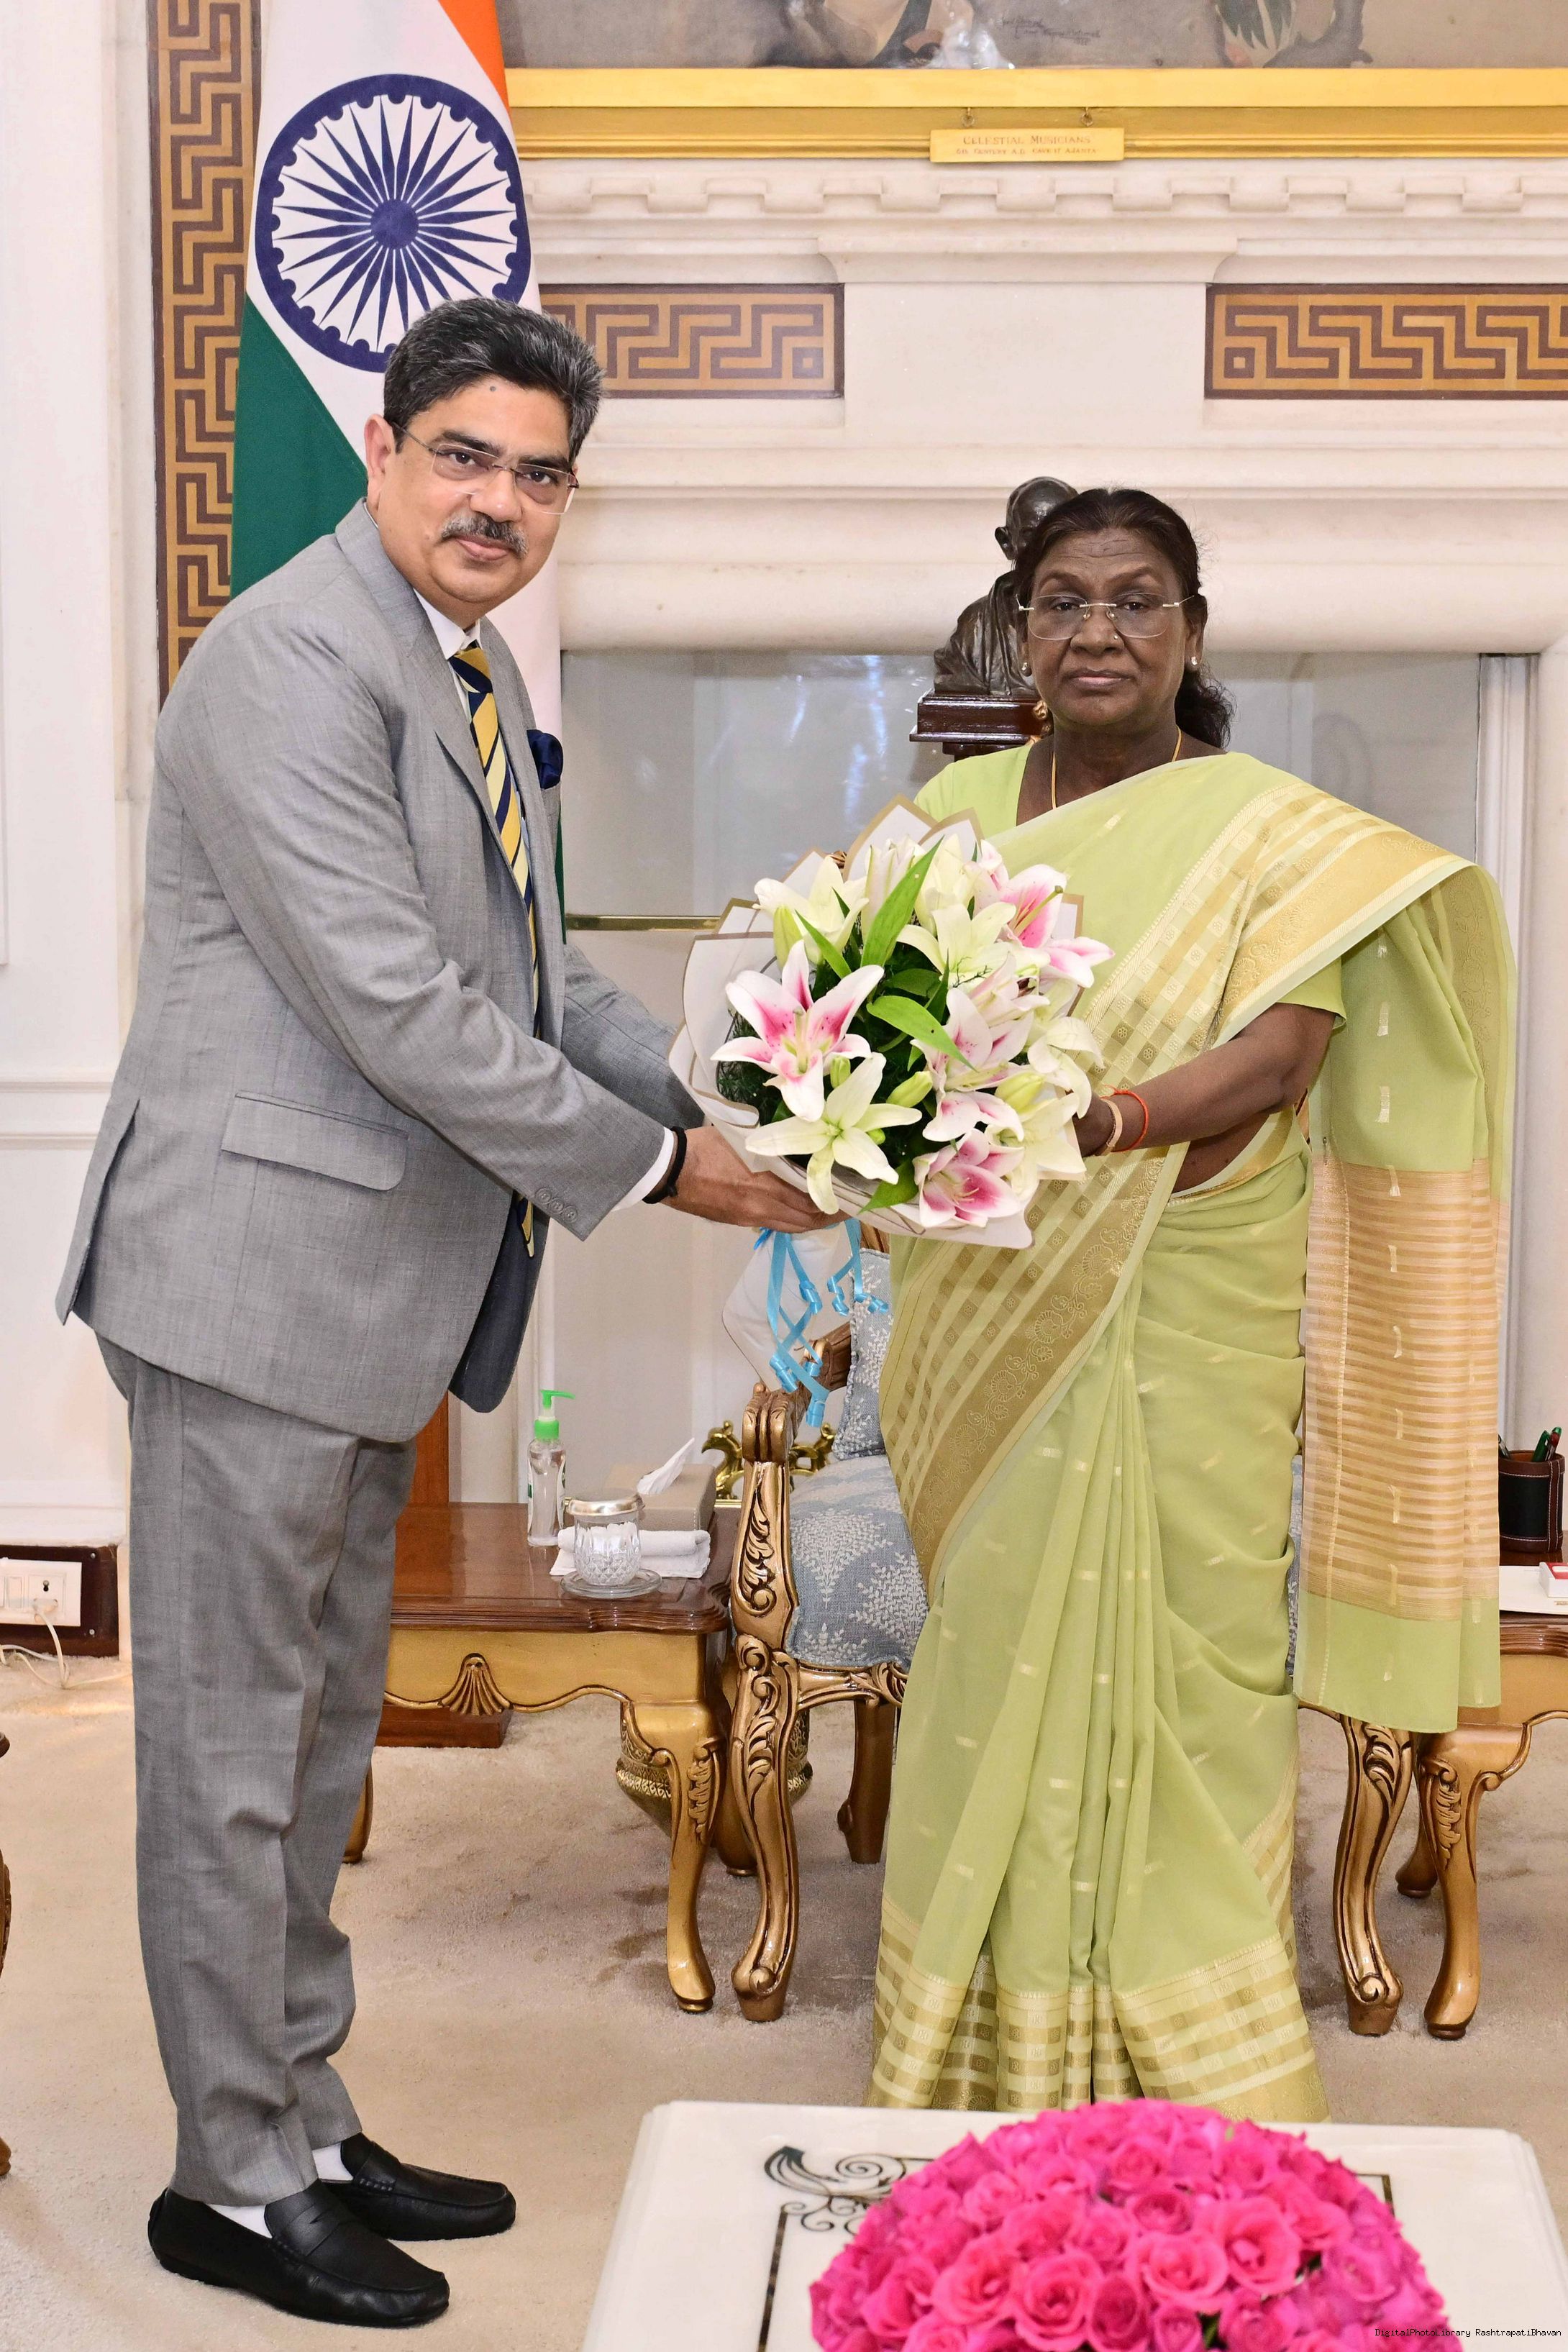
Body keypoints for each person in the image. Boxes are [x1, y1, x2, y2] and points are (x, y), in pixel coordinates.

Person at [56, 297, 828, 2329]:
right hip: (247, 1283)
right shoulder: (288, 661)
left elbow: (537, 983)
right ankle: (231, 2179)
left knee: (316, 1748)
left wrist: (743, 1096)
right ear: (385, 453)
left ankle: (301, 2117)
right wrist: (664, 1174)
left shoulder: (461, 670)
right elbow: (395, 1005)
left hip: (366, 1291)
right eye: (465, 456)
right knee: (230, 1757)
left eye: (540, 473)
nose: (500, 501)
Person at [870, 486, 1511, 2120]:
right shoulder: (944, 824)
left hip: (1190, 1283)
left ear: (1193, 630)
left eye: (1136, 599)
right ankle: (982, 2034)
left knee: (1200, 1666)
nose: (1097, 630)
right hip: (992, 1291)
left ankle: (1195, 2045)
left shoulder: (1269, 838)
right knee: (993, 1651)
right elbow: (875, 1032)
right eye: (1064, 602)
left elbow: (1284, 1054)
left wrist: (1104, 1124)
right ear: (1023, 632)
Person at [932, 473, 1076, 700]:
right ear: (1007, 543)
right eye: (1031, 535)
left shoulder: (1108, 617)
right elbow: (957, 703)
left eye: (1060, 534)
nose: (1046, 548)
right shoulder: (977, 627)